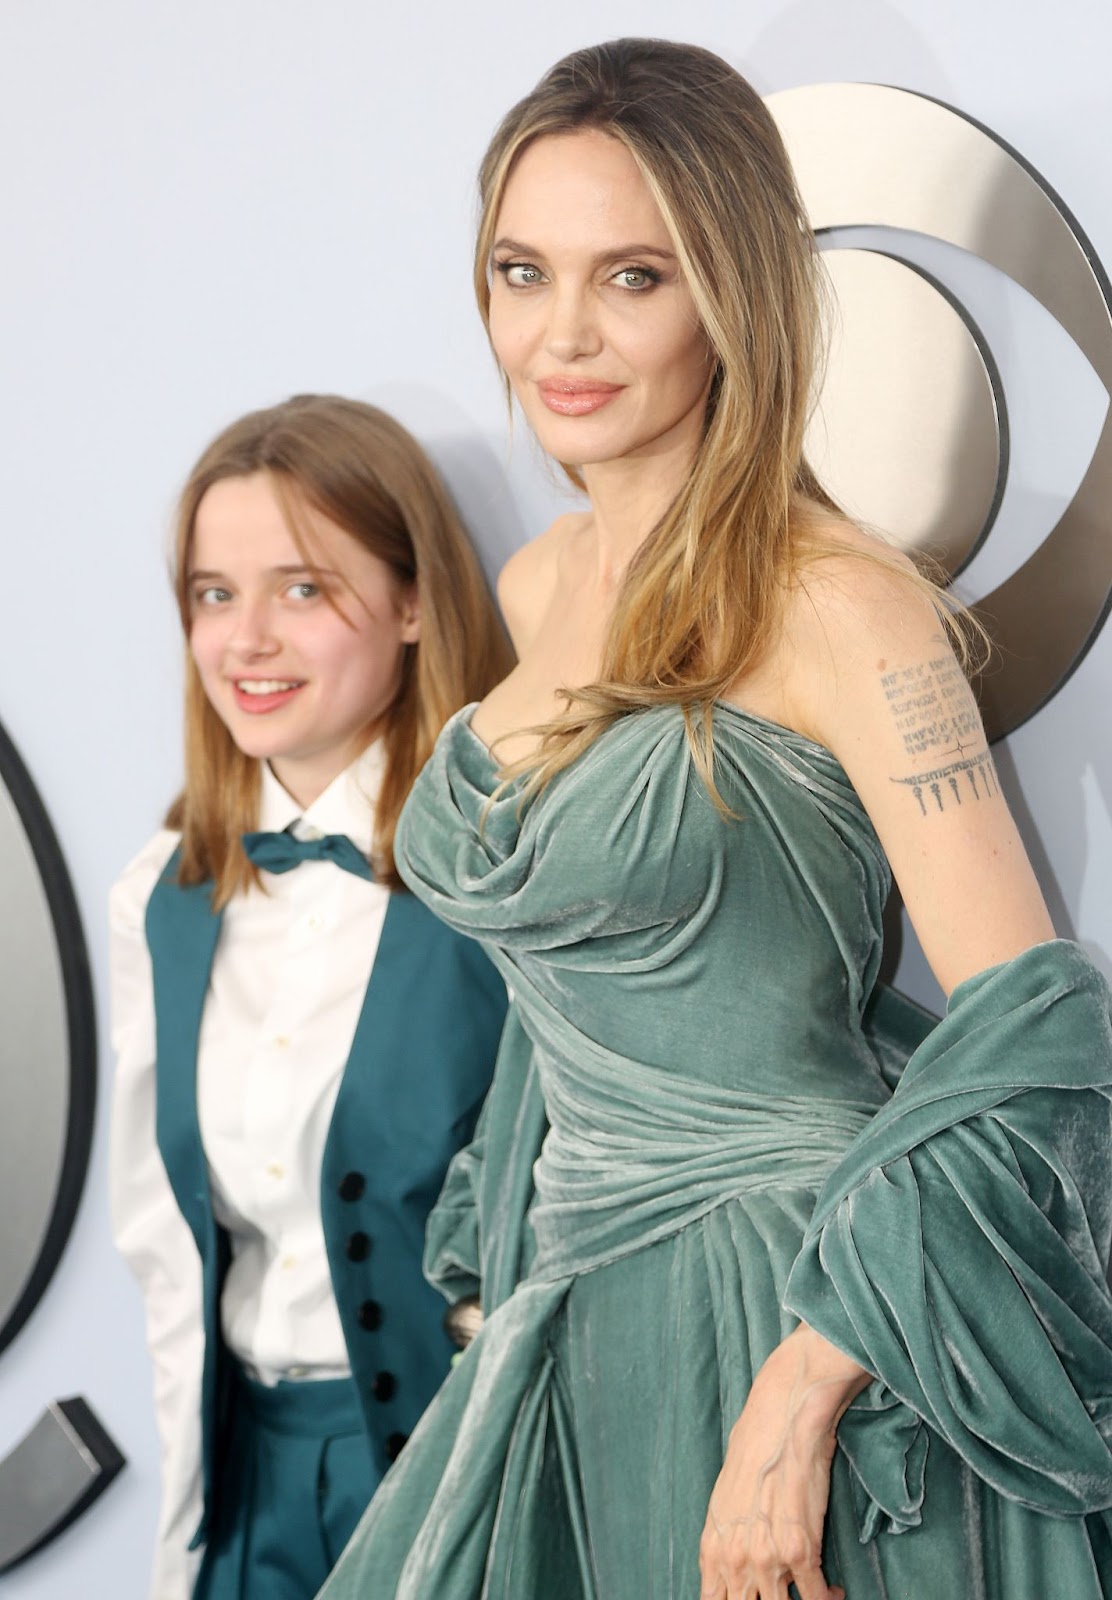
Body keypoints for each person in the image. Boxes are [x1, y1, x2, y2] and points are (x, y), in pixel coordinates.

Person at [318, 38, 1112, 1600]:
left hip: (794, 1316)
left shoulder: (842, 603)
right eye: (521, 271)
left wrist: (809, 1384)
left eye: (634, 276)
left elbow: (1039, 1034)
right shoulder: (538, 585)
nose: (563, 335)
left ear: (731, 294)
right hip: (576, 1319)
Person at [108, 394, 513, 1600]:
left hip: (466, 1487)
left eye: (301, 587)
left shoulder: (509, 866)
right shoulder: (160, 895)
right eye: (212, 593)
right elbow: (169, 1265)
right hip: (253, 1502)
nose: (245, 640)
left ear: (413, 602)